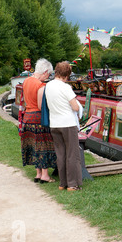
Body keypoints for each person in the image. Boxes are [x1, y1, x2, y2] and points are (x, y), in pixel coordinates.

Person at [45, 62, 83, 191]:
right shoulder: (66, 87)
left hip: (54, 124)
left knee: (60, 154)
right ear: (67, 74)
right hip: (67, 124)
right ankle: (72, 184)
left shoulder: (48, 86)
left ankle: (63, 183)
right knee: (72, 154)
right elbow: (75, 107)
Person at [21, 58, 57, 183]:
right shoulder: (41, 85)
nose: (47, 77)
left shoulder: (26, 81)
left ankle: (38, 174)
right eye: (48, 74)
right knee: (44, 145)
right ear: (45, 71)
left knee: (34, 146)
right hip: (38, 118)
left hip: (27, 118)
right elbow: (42, 107)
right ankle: (45, 175)